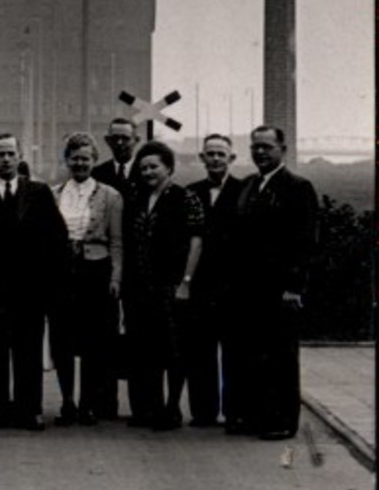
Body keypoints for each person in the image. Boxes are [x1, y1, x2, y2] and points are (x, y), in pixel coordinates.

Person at [0, 133, 68, 430]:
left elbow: (56, 240)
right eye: (0, 154)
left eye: (11, 153)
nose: (5, 159)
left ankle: (28, 409)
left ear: (20, 155)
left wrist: (49, 285)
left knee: (28, 350)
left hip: (29, 289)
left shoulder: (38, 192)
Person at [230, 126, 317, 440]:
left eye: (267, 147)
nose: (260, 152)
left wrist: (294, 286)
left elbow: (304, 242)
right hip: (249, 288)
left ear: (283, 149)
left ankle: (281, 421)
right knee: (253, 353)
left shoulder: (297, 187)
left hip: (279, 289)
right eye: (255, 147)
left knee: (280, 356)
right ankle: (256, 416)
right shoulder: (250, 185)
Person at [122, 141, 205, 431]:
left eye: (154, 166)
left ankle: (172, 409)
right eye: (143, 167)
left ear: (168, 167)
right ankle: (149, 408)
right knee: (145, 349)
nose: (148, 172)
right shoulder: (136, 198)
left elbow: (197, 240)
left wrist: (186, 281)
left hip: (171, 285)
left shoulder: (186, 197)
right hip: (140, 287)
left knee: (173, 349)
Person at [49, 133, 124, 426]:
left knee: (94, 341)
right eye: (75, 157)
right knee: (62, 340)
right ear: (67, 160)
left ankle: (88, 403)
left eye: (86, 158)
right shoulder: (53, 193)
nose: (80, 163)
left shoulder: (110, 195)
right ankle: (67, 401)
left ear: (94, 161)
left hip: (96, 271)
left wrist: (116, 276)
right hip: (63, 273)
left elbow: (117, 241)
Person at [185, 133, 246, 428]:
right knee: (200, 349)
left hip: (233, 285)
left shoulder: (245, 190)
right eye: (210, 153)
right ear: (202, 158)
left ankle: (234, 411)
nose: (216, 159)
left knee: (234, 350)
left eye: (221, 154)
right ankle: (204, 412)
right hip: (200, 284)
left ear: (231, 158)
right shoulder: (191, 192)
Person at [92, 118, 139, 197]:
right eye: (115, 138)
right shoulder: (97, 174)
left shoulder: (145, 172)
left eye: (125, 138)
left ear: (136, 140)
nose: (119, 143)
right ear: (107, 141)